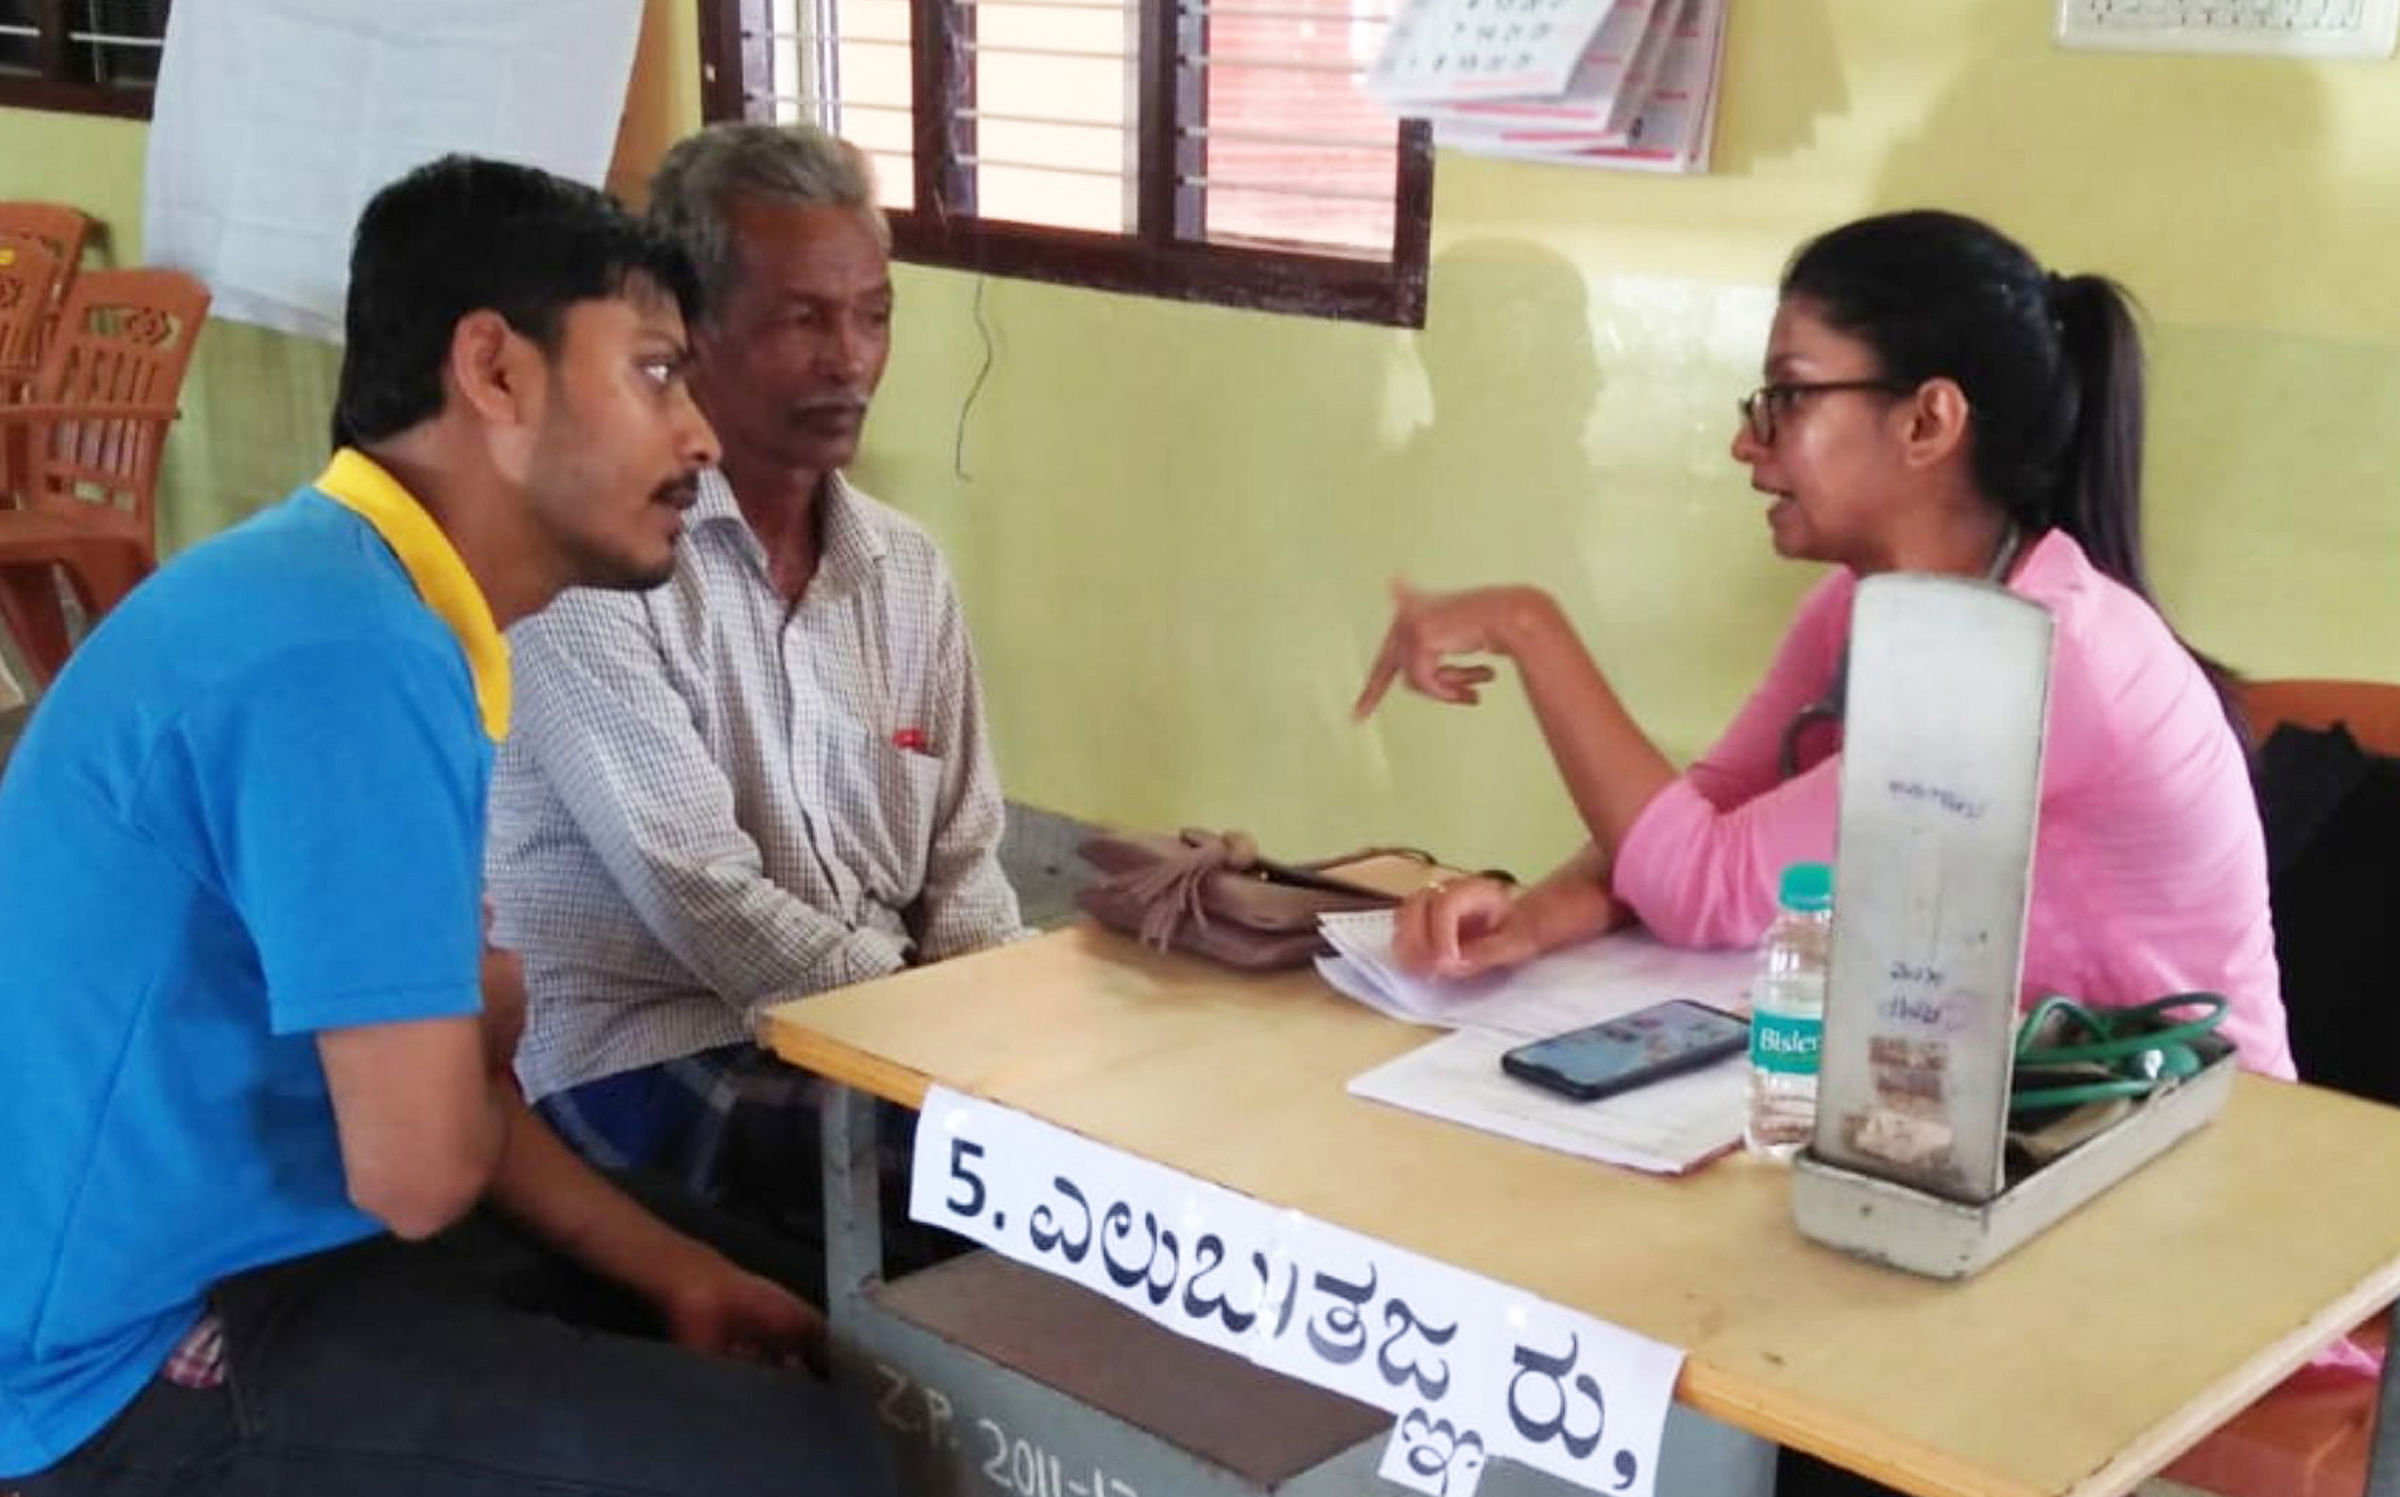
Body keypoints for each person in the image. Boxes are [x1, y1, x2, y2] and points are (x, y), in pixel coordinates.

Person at [0, 156, 891, 1496]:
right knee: (811, 1461)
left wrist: (677, 1269)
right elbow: (422, 1167)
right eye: (655, 373)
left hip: (287, 1227)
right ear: (497, 374)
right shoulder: (342, 654)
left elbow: (437, 1098)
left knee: (804, 1313)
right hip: (118, 1357)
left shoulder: (375, 604)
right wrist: (480, 1025)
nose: (700, 437)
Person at [1353, 208, 2296, 1080]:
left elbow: (1704, 883)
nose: (1746, 443)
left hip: (2187, 1130)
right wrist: (1531, 921)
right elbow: (1711, 807)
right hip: (2006, 1090)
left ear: (1928, 421)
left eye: (1790, 397)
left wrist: (1529, 625)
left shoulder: (2038, 659)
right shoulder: (1865, 605)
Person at [484, 122, 1023, 1249]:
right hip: (650, 1048)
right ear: (687, 338)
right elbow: (703, 897)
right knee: (996, 1195)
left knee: (1093, 1154)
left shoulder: (906, 570)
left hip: (885, 1038)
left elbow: (967, 860)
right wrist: (942, 1043)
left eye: (873, 314)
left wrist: (999, 1033)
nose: (850, 360)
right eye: (801, 320)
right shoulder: (591, 576)